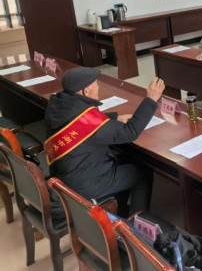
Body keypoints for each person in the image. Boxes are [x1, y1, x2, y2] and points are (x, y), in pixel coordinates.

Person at [44, 68, 165, 217]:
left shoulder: (58, 105)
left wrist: (113, 118)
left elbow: (79, 120)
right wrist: (151, 100)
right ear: (86, 91)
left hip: (67, 174)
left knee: (129, 159)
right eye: (96, 83)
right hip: (84, 183)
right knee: (143, 172)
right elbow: (130, 132)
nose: (98, 86)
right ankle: (136, 224)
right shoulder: (87, 121)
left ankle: (120, 209)